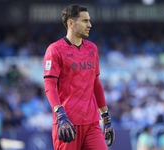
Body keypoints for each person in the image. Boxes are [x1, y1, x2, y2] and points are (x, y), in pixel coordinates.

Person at [43, 4, 115, 150]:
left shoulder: (92, 48)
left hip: (92, 123)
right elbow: (49, 85)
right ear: (71, 23)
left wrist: (106, 118)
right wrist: (60, 114)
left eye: (89, 20)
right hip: (67, 123)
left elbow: (96, 85)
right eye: (85, 21)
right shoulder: (54, 50)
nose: (90, 24)